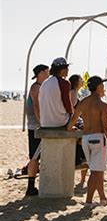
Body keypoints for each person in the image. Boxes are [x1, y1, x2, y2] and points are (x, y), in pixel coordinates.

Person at [67, 76, 107, 207]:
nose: (104, 87)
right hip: (97, 138)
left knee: (97, 170)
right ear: (99, 87)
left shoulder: (83, 102)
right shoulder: (102, 104)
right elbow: (106, 127)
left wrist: (70, 129)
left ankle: (103, 198)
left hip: (86, 139)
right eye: (102, 85)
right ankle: (88, 200)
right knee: (95, 172)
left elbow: (73, 119)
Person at [24, 64, 49, 196]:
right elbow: (36, 106)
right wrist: (42, 123)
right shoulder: (36, 87)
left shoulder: (41, 87)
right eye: (47, 72)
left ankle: (33, 185)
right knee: (34, 156)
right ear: (41, 73)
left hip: (37, 125)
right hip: (35, 126)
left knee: (37, 156)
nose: (49, 74)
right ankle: (30, 186)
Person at [39, 57, 73, 128]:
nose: (68, 70)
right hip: (60, 122)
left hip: (44, 122)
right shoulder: (64, 83)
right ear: (61, 70)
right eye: (66, 68)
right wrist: (72, 116)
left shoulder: (45, 83)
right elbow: (67, 103)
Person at [69, 74, 87, 187]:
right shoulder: (73, 92)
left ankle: (82, 179)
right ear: (76, 82)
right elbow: (72, 110)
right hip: (76, 122)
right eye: (81, 79)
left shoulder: (76, 92)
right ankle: (82, 179)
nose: (83, 81)